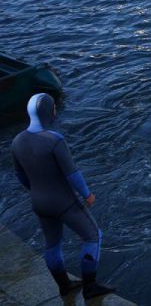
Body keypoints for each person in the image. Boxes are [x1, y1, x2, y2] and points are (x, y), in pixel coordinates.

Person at [10, 94, 115, 300]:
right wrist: (87, 194)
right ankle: (90, 286)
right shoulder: (54, 140)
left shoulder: (17, 141)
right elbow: (72, 174)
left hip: (39, 202)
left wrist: (37, 189)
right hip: (63, 201)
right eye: (54, 107)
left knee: (52, 244)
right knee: (93, 236)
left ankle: (64, 286)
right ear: (49, 111)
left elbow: (20, 175)